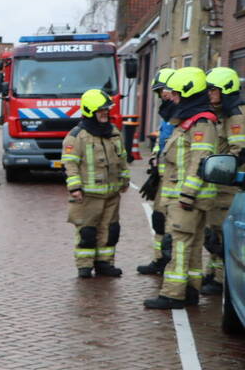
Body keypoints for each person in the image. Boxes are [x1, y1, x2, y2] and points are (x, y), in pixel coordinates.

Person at [144, 67, 219, 309]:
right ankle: (190, 290)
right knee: (192, 245)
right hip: (187, 198)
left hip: (187, 199)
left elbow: (200, 159)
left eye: (176, 94)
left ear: (188, 93)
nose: (172, 99)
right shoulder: (189, 122)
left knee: (178, 244)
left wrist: (187, 194)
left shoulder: (201, 123)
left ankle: (173, 294)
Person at [61, 88, 130, 278]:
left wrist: (125, 179)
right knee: (87, 232)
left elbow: (122, 157)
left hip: (112, 193)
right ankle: (84, 266)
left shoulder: (113, 132)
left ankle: (105, 264)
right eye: (101, 110)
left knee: (110, 230)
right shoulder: (76, 136)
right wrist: (74, 187)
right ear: (90, 111)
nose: (105, 113)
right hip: (88, 195)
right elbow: (70, 163)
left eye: (107, 110)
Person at [200, 67, 245, 296]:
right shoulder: (223, 113)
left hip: (228, 186)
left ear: (225, 90)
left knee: (220, 233)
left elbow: (239, 152)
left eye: (213, 90)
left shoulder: (235, 116)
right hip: (220, 184)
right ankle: (214, 272)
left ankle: (220, 280)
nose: (209, 94)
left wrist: (221, 169)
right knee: (214, 232)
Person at [137, 68, 177, 275]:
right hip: (162, 178)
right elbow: (161, 143)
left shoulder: (180, 114)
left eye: (165, 90)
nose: (162, 94)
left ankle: (170, 264)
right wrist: (154, 163)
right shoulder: (167, 114)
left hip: (175, 180)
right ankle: (160, 260)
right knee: (159, 219)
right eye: (160, 91)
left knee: (173, 225)